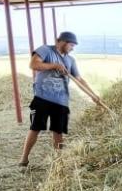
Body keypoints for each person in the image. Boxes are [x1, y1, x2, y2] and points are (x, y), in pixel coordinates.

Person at [19, 31, 100, 167]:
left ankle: (58, 161)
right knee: (35, 128)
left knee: (58, 131)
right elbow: (33, 65)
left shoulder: (70, 60)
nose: (72, 48)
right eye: (71, 45)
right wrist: (54, 66)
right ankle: (24, 158)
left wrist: (93, 95)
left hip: (61, 101)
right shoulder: (46, 50)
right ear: (62, 42)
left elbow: (79, 80)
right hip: (42, 98)